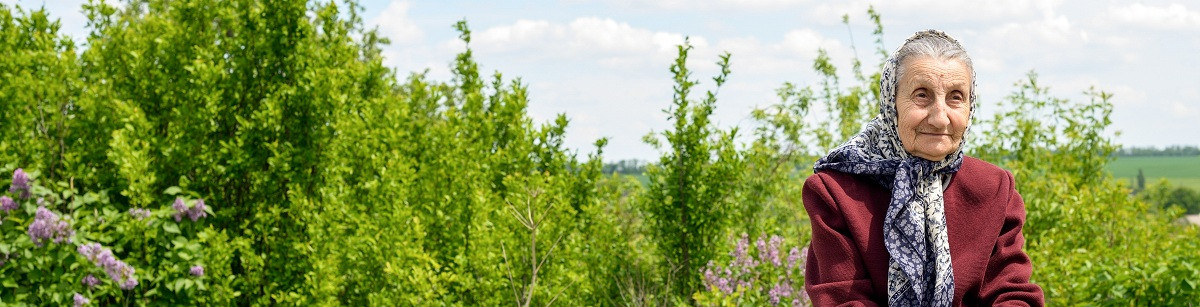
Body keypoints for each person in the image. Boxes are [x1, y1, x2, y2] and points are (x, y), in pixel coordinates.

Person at [802, 30, 1045, 306]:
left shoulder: (994, 188)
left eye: (955, 97)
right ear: (891, 102)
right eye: (922, 95)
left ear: (970, 106)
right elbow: (842, 299)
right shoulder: (835, 192)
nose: (940, 118)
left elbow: (1011, 293)